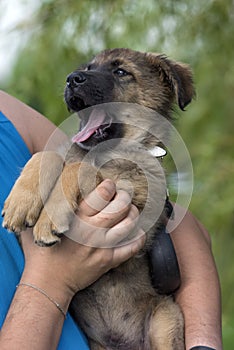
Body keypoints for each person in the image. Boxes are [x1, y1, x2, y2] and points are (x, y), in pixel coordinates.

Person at [0, 90, 222, 350]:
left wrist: (202, 343)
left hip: (146, 322)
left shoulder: (8, 114)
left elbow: (178, 221)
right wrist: (49, 282)